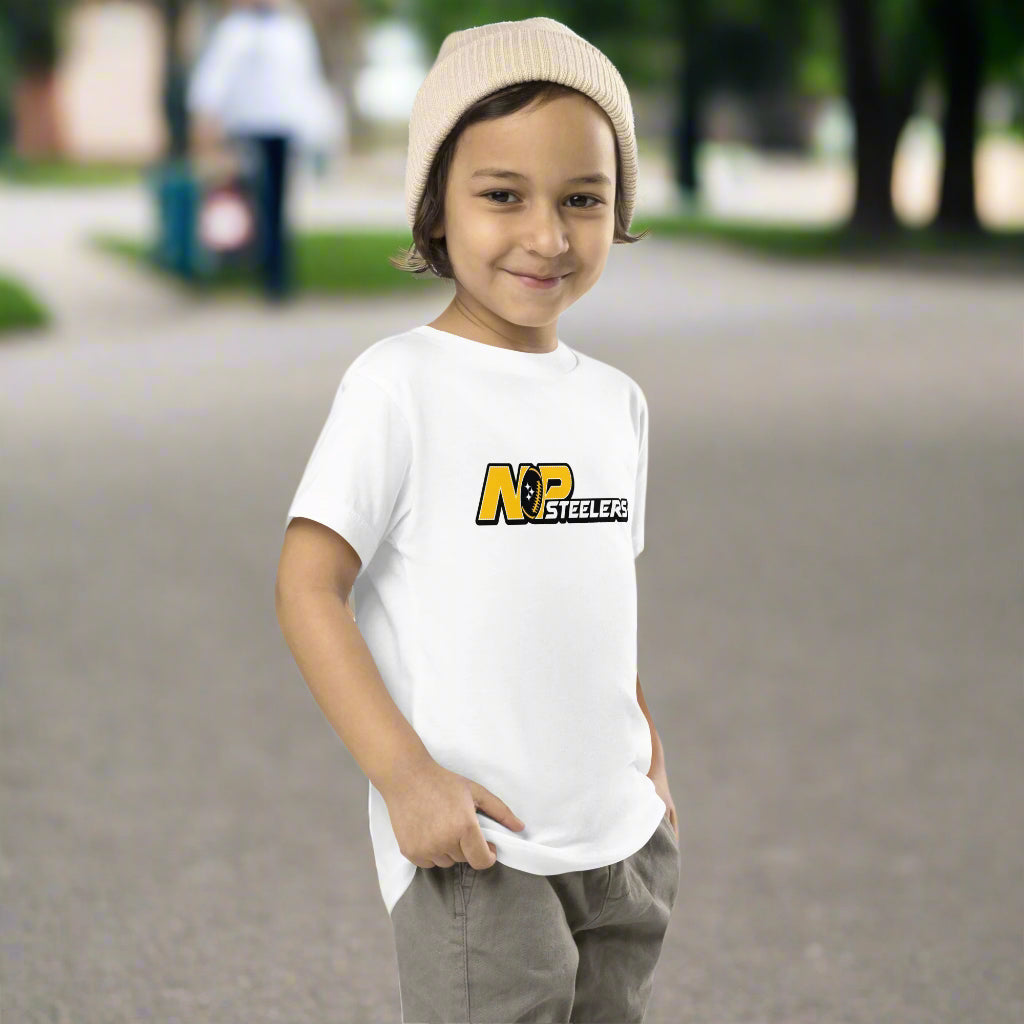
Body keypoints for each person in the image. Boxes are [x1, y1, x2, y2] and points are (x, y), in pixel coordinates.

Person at [275, 17, 678, 1022]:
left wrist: (650, 763)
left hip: (619, 836)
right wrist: (404, 777)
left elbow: (595, 601)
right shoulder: (400, 384)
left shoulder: (615, 402)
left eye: (583, 198)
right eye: (503, 196)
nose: (549, 235)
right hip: (480, 845)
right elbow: (306, 586)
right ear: (436, 211)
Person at [185, 0, 339, 300]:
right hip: (246, 126)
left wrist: (317, 128)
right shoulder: (235, 29)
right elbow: (215, 75)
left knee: (277, 202)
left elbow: (306, 79)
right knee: (252, 198)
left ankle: (277, 273)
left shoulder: (293, 29)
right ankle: (248, 258)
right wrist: (206, 116)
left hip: (282, 126)